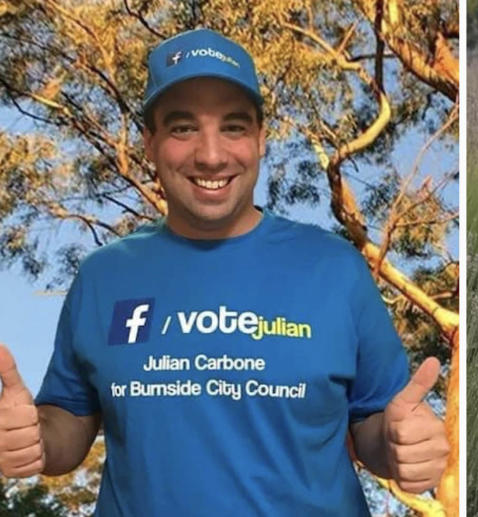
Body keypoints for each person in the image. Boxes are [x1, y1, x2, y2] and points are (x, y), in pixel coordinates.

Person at [0, 28, 450, 515]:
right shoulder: (104, 277)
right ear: (150, 142)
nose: (211, 155)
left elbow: (375, 426)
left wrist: (404, 444)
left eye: (233, 127)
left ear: (260, 139)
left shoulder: (335, 268)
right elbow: (70, 420)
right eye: (183, 128)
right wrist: (36, 440)